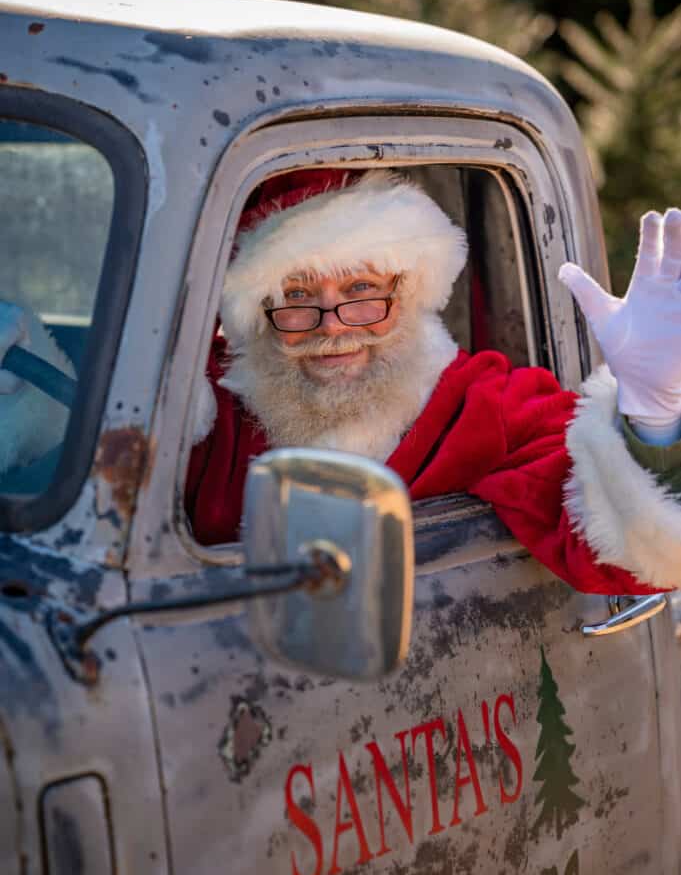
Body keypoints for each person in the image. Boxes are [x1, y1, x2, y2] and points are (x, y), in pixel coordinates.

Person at [2, 168, 681, 593]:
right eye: (296, 297)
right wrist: (29, 382)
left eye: (361, 291)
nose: (334, 326)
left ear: (408, 294)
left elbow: (630, 560)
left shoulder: (478, 402)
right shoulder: (200, 402)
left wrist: (653, 415)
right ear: (259, 316)